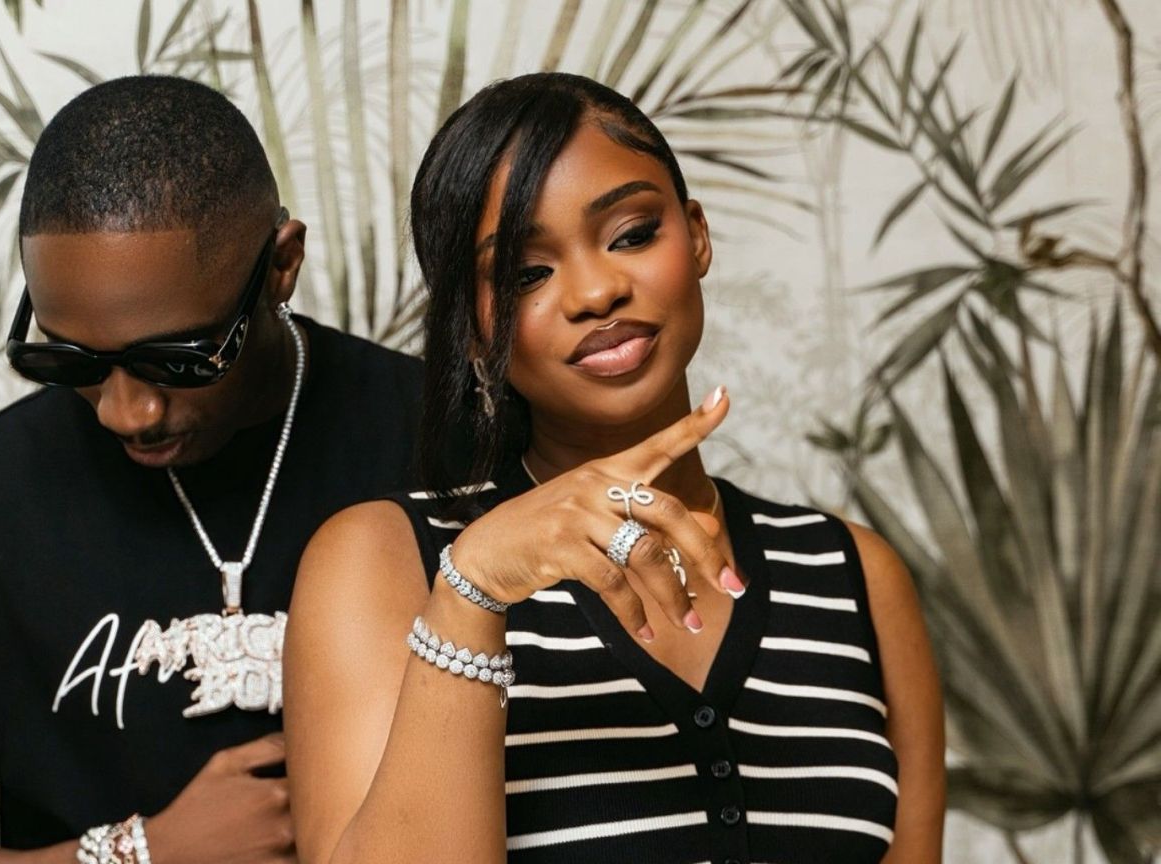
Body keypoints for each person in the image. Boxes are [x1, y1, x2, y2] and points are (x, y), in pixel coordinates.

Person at [284, 72, 945, 864]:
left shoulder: (853, 576)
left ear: (696, 235)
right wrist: (474, 590)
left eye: (632, 232)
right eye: (526, 275)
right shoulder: (386, 561)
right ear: (469, 328)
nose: (596, 291)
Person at [0, 75, 422, 864]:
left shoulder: (447, 445)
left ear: (282, 266)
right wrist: (140, 854)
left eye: (178, 359)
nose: (126, 412)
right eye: (71, 359)